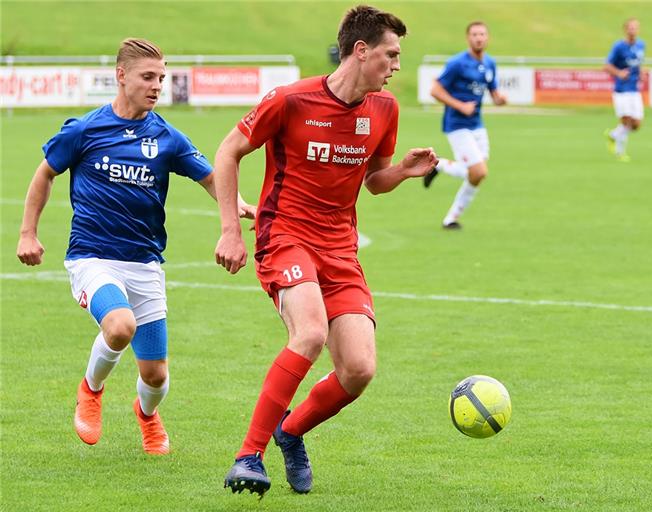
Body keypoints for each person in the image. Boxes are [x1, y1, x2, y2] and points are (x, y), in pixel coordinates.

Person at [213, 5, 437, 497]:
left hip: (340, 248)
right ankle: (247, 455)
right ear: (360, 50)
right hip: (285, 235)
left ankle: (290, 431)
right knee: (310, 332)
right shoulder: (290, 100)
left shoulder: (385, 109)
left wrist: (401, 170)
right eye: (390, 54)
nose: (397, 65)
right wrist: (231, 229)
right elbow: (227, 151)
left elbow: (373, 181)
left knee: (359, 370)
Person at [15, 38, 255, 455]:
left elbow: (211, 178)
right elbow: (44, 174)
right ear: (121, 76)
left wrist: (237, 205)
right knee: (120, 326)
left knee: (156, 376)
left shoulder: (168, 137)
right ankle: (91, 390)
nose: (157, 85)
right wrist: (27, 233)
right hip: (92, 257)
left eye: (162, 78)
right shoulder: (85, 129)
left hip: (144, 263)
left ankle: (147, 416)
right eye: (148, 76)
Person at [423, 21, 507, 230]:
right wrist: (460, 105)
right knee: (478, 172)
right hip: (457, 125)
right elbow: (435, 90)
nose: (479, 38)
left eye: (482, 34)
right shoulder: (457, 63)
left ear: (487, 38)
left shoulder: (490, 63)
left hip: (477, 125)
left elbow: (493, 91)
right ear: (468, 38)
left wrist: (499, 99)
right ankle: (449, 216)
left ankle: (450, 215)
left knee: (476, 175)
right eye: (475, 34)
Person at [603, 18, 645, 163]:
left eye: (635, 28)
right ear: (625, 30)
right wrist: (619, 73)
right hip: (621, 89)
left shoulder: (641, 45)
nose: (633, 30)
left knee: (636, 124)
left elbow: (639, 63)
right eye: (630, 28)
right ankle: (620, 153)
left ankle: (613, 135)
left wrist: (641, 73)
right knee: (626, 120)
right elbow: (607, 66)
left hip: (635, 89)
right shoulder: (618, 47)